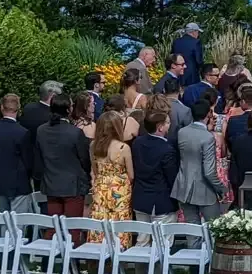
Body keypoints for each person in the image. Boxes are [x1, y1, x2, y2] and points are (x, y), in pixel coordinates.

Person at [34, 98, 91, 244]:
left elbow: (39, 156)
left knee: (53, 227)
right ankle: (72, 264)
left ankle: (49, 260)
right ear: (68, 110)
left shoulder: (41, 130)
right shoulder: (75, 133)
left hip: (51, 183)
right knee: (73, 228)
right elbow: (84, 159)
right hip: (73, 186)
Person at [173, 101, 227, 225]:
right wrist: (221, 189)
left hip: (184, 187)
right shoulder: (207, 137)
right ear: (208, 115)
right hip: (204, 190)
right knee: (215, 229)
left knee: (193, 232)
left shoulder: (182, 132)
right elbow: (209, 171)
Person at [85, 112, 134, 246]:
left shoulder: (93, 146)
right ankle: (120, 249)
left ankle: (97, 253)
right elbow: (131, 175)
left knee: (100, 219)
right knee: (119, 222)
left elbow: (94, 170)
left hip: (101, 188)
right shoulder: (123, 148)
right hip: (120, 191)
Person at [0, 94, 33, 213]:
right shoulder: (22, 132)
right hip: (18, 183)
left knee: (3, 218)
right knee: (18, 222)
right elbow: (28, 160)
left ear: (1, 107)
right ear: (18, 109)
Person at [131, 111, 179, 234]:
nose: (170, 125)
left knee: (142, 240)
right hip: (161, 201)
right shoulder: (167, 149)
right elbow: (171, 177)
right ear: (160, 127)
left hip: (140, 198)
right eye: (168, 123)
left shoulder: (137, 143)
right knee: (164, 242)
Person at [161, 76, 193, 144]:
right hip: (176, 146)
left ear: (164, 90)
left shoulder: (156, 105)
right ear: (180, 90)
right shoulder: (185, 110)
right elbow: (188, 134)